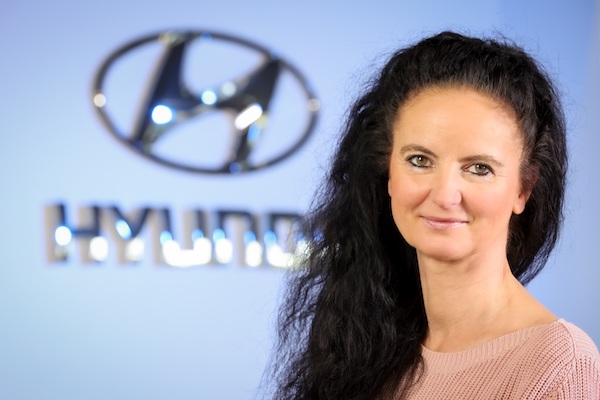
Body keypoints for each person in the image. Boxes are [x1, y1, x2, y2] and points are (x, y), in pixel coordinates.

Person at [270, 31, 600, 399]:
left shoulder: (558, 365)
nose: (444, 195)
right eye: (419, 160)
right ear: (387, 172)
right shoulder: (364, 346)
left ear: (523, 189)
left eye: (479, 168)